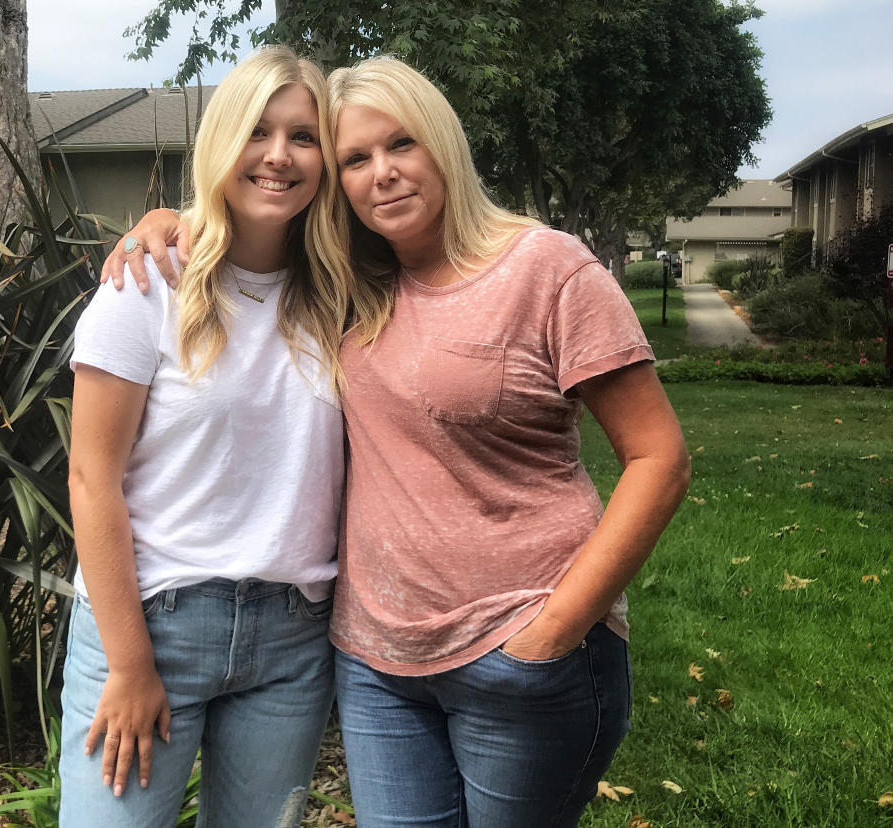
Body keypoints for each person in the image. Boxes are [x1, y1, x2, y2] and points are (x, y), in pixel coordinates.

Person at [106, 56, 690, 828]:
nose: (382, 173)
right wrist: (169, 224)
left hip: (521, 651)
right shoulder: (350, 280)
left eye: (402, 145)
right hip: (377, 666)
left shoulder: (546, 267)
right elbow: (245, 230)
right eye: (354, 158)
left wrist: (553, 631)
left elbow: (660, 459)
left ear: (442, 143)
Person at [60, 46, 355, 828]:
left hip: (291, 641)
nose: (279, 155)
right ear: (222, 140)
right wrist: (128, 664)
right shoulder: (146, 284)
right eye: (258, 130)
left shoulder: (344, 295)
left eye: (303, 135)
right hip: (152, 623)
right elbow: (91, 478)